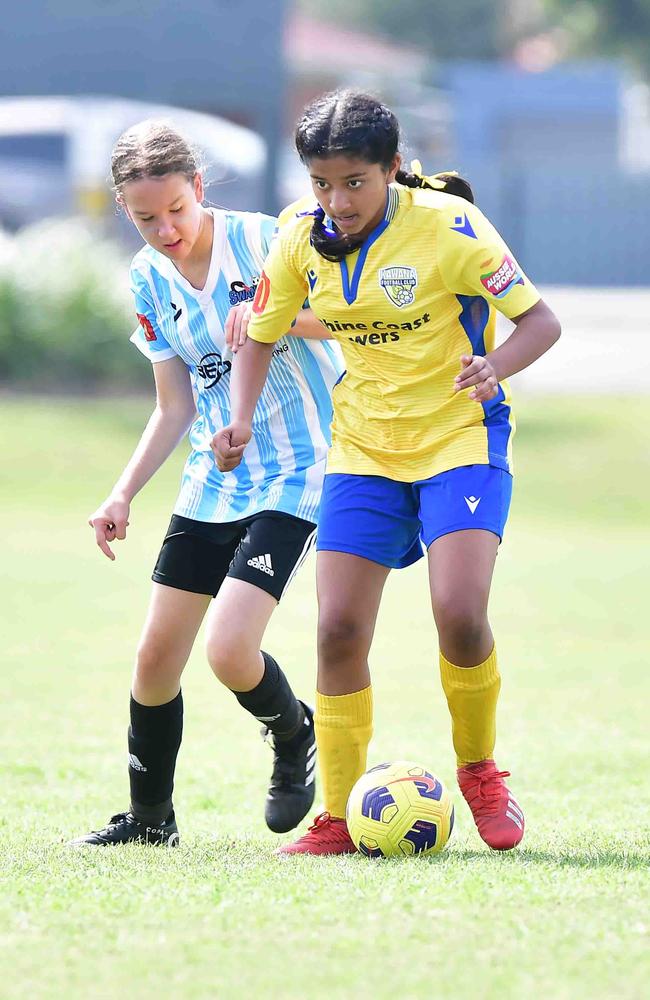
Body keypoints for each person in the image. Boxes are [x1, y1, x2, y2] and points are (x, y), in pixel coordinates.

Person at [213, 89, 561, 855]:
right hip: (364, 448)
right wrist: (237, 420)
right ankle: (338, 816)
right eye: (321, 184)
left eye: (355, 183)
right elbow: (262, 335)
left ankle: (480, 772)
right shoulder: (298, 238)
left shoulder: (449, 229)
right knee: (337, 630)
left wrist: (495, 366)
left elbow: (542, 321)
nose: (337, 201)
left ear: (393, 169)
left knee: (460, 613)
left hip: (458, 439)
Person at [70, 120, 342, 847]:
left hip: (299, 467)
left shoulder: (264, 240)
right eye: (144, 218)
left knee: (228, 649)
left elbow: (349, 317)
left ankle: (295, 736)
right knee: (157, 658)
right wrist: (121, 493)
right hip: (215, 476)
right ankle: (151, 820)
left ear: (199, 188)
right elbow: (174, 405)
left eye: (176, 211)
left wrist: (272, 316)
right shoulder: (147, 279)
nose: (164, 230)